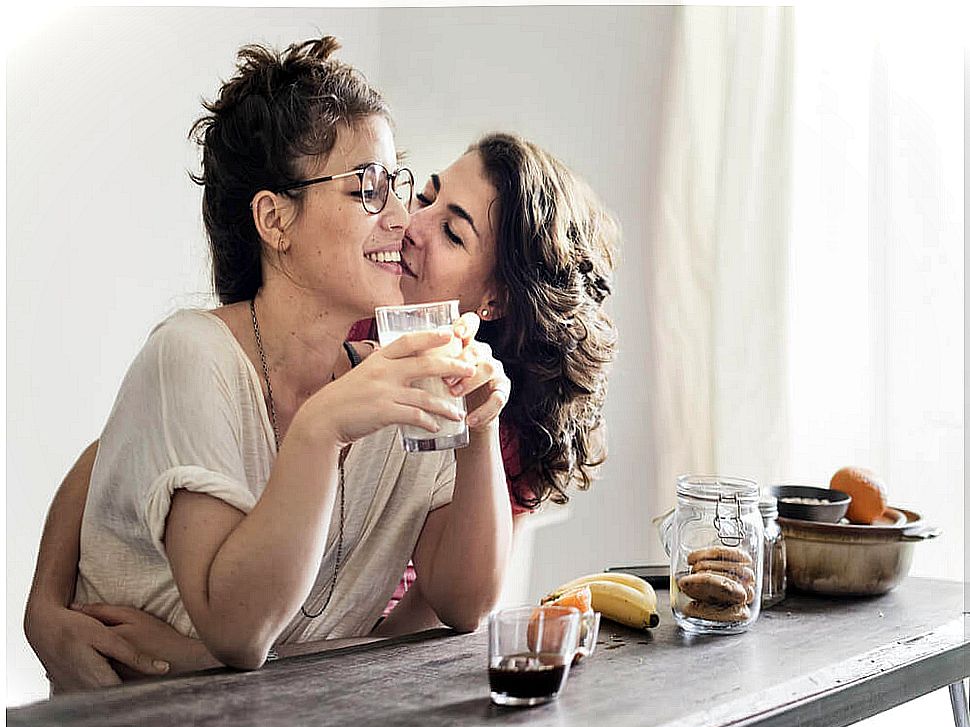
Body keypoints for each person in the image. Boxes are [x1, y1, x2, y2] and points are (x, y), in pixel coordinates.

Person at [23, 66, 620, 691]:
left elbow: (454, 613)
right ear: (274, 222)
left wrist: (479, 423)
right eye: (374, 187)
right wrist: (43, 607)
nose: (406, 221)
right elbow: (121, 450)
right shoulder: (222, 354)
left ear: (497, 298)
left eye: (446, 226)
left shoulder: (429, 385)